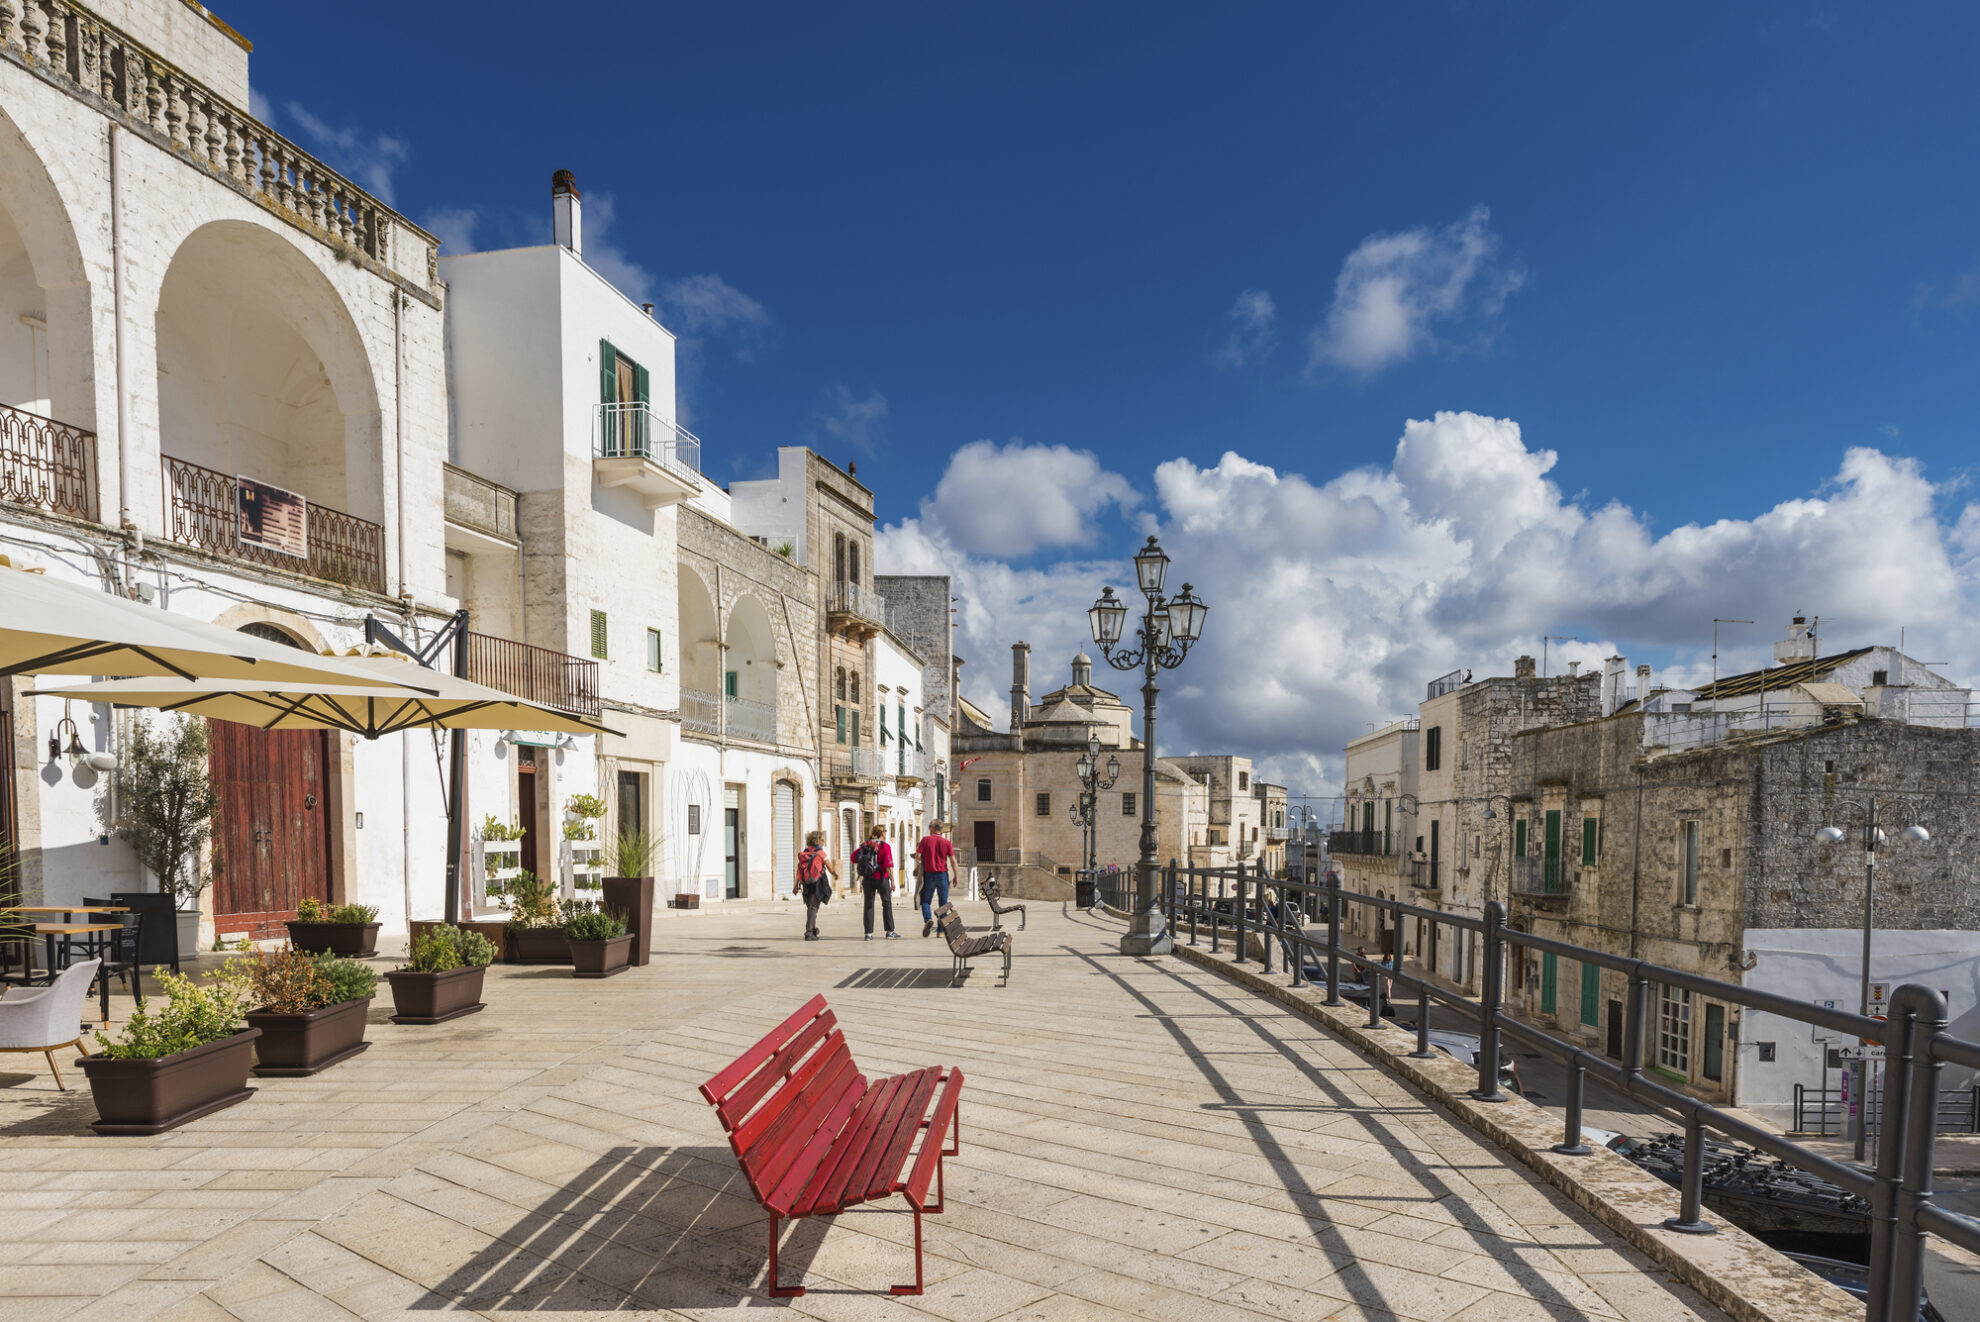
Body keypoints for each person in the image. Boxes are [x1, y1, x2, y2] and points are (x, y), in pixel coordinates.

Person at [853, 824, 900, 940]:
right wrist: (893, 881)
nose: (886, 832)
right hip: (882, 878)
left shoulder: (865, 845)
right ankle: (890, 932)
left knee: (868, 904)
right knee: (887, 904)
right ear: (882, 833)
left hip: (868, 878)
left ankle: (868, 934)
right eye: (885, 831)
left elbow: (853, 858)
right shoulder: (885, 846)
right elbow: (889, 866)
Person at [915, 821, 955, 937]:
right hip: (942, 874)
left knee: (926, 900)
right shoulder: (946, 842)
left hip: (929, 875)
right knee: (943, 902)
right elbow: (953, 861)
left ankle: (928, 919)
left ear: (932, 828)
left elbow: (918, 856)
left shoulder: (925, 840)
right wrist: (956, 875)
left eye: (929, 826)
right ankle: (941, 931)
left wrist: (923, 859)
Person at [796, 830, 837, 940]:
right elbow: (830, 867)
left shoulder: (804, 853)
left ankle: (812, 929)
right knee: (814, 907)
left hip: (806, 883)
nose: (823, 841)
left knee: (810, 907)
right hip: (817, 883)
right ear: (818, 841)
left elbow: (799, 870)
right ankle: (809, 932)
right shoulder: (821, 853)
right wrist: (835, 874)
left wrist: (795, 886)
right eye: (822, 839)